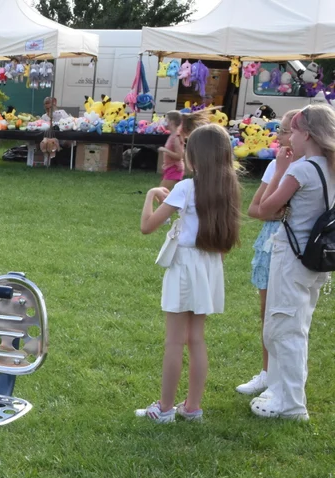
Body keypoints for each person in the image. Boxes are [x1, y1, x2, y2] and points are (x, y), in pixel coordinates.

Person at [136, 124, 240, 422]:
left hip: (185, 265)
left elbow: (147, 227)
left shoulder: (185, 187)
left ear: (195, 155)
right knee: (196, 338)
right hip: (210, 265)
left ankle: (165, 408)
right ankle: (192, 407)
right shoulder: (228, 188)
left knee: (174, 340)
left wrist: (150, 196)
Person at [252, 104, 335, 421]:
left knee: (285, 329)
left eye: (293, 131)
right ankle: (280, 391)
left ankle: (291, 403)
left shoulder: (302, 170)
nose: (289, 138)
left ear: (308, 134)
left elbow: (263, 209)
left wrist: (280, 169)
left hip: (292, 257)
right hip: (314, 261)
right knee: (294, 326)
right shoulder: (330, 167)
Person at [239, 109, 300, 396]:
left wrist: (277, 212)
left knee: (290, 316)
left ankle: (284, 379)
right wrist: (277, 171)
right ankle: (267, 373)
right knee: (267, 313)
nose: (279, 136)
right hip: (269, 244)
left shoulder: (316, 166)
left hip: (297, 247)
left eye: (285, 130)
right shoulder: (277, 164)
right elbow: (255, 209)